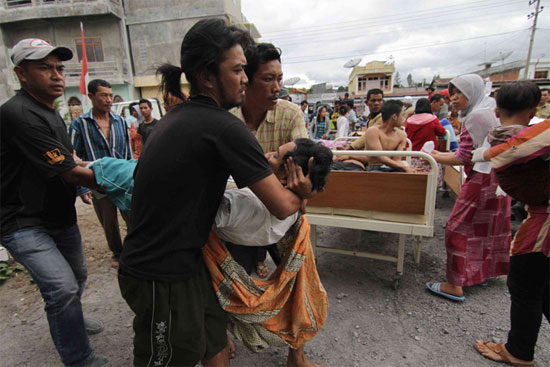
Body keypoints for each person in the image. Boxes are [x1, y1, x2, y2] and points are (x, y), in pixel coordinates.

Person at [118, 19, 314, 367]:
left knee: (212, 341)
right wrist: (304, 191)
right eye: (238, 70)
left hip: (186, 260)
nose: (245, 78)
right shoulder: (223, 127)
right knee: (166, 359)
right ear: (208, 76)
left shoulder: (181, 118)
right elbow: (282, 206)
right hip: (158, 272)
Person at [0, 38, 107, 367]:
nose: (57, 75)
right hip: (23, 221)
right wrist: (123, 180)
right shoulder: (19, 115)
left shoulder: (49, 112)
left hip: (58, 216)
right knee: (61, 288)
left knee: (76, 277)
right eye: (45, 68)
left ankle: (69, 321)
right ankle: (79, 359)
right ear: (21, 73)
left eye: (59, 68)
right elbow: (72, 172)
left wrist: (87, 176)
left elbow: (67, 160)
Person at [470, 81, 549, 367]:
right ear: (533, 109)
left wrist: (481, 154)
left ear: (497, 109)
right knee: (541, 284)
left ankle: (518, 351)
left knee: (526, 283)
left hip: (543, 218)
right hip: (537, 212)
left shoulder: (521, 141)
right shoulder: (523, 135)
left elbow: (501, 154)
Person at [426, 74, 511, 302]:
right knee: (485, 227)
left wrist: (434, 157)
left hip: (483, 178)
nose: (453, 99)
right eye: (451, 93)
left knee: (457, 227)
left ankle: (454, 284)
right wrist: (438, 155)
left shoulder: (475, 117)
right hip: (499, 177)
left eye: (458, 93)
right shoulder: (489, 108)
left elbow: (465, 156)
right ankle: (478, 273)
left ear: (471, 92)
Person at [230, 42, 309, 279]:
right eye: (267, 79)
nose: (277, 88)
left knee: (297, 278)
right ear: (247, 80)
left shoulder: (291, 114)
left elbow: (304, 167)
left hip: (283, 212)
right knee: (236, 284)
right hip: (238, 215)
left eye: (280, 79)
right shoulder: (227, 119)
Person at [69, 79, 133, 269]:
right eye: (103, 95)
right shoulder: (80, 124)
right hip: (97, 181)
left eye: (110, 95)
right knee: (109, 222)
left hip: (122, 179)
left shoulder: (120, 121)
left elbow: (128, 153)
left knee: (131, 216)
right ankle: (117, 253)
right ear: (91, 97)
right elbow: (73, 157)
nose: (109, 100)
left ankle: (133, 251)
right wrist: (81, 188)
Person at [334, 100, 412, 172]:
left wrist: (406, 169)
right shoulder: (373, 131)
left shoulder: (402, 135)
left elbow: (397, 159)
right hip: (376, 168)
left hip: (392, 167)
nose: (404, 119)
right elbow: (380, 157)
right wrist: (404, 167)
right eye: (402, 115)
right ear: (394, 117)